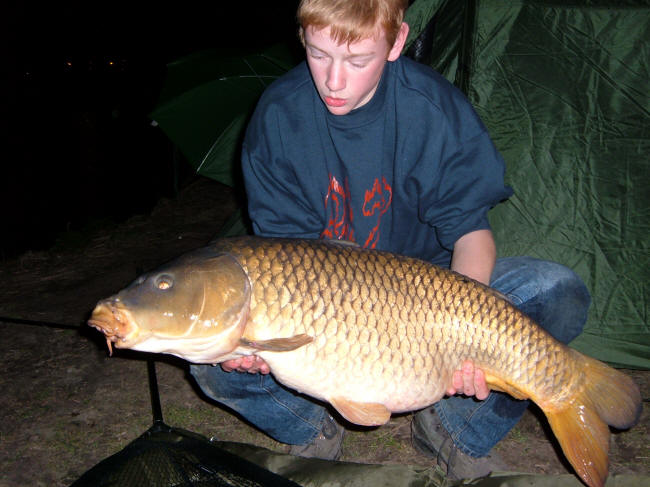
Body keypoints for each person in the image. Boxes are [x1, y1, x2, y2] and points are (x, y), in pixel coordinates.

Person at [190, 0, 590, 479]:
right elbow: (285, 265)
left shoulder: (432, 108)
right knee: (208, 352)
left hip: (432, 297)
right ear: (301, 37)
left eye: (358, 60)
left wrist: (463, 338)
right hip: (327, 308)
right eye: (318, 54)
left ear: (397, 41)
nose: (334, 81)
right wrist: (257, 345)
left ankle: (451, 428)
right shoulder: (279, 117)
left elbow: (471, 233)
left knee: (554, 291)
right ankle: (312, 430)